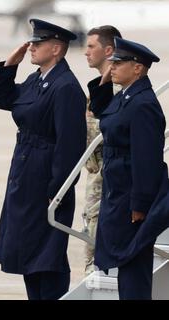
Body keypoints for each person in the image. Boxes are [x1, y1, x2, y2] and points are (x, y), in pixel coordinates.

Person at [0, 19, 86, 300]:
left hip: (45, 177)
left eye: (38, 43)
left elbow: (70, 145)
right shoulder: (39, 79)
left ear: (56, 48)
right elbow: (3, 99)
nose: (31, 46)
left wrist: (58, 190)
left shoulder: (65, 86)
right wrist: (10, 65)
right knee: (27, 249)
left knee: (48, 252)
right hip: (26, 171)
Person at [89, 37, 164, 299]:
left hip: (131, 197)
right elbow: (103, 112)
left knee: (134, 264)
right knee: (125, 262)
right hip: (118, 191)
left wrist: (140, 205)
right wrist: (105, 80)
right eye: (113, 62)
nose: (113, 67)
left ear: (138, 68)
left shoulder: (143, 104)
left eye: (119, 63)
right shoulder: (128, 97)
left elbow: (147, 160)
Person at [83, 25, 122, 275]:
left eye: (91, 46)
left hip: (106, 182)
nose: (85, 52)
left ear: (108, 50)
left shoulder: (117, 90)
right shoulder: (98, 87)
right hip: (94, 180)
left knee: (96, 263)